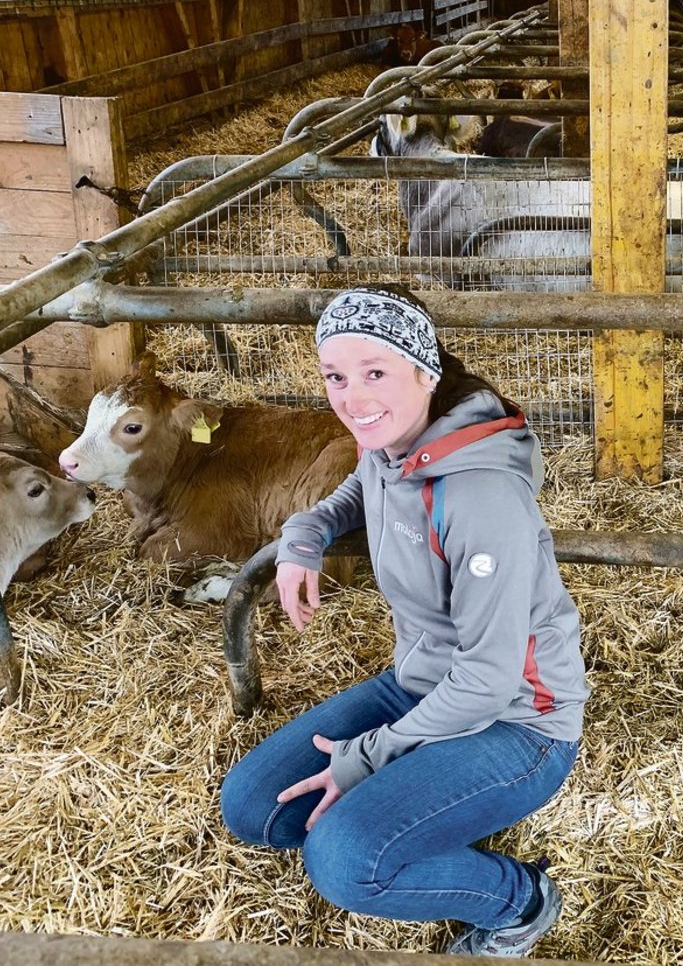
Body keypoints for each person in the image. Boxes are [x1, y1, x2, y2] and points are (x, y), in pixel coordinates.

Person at [220, 284, 588, 958]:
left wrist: (368, 756)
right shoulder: (391, 443)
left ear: (426, 371)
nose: (353, 398)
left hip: (518, 719)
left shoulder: (480, 495)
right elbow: (359, 489)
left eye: (375, 373)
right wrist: (305, 533)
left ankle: (520, 901)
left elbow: (487, 680)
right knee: (252, 806)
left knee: (344, 863)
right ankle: (423, 812)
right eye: (335, 376)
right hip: (420, 685)